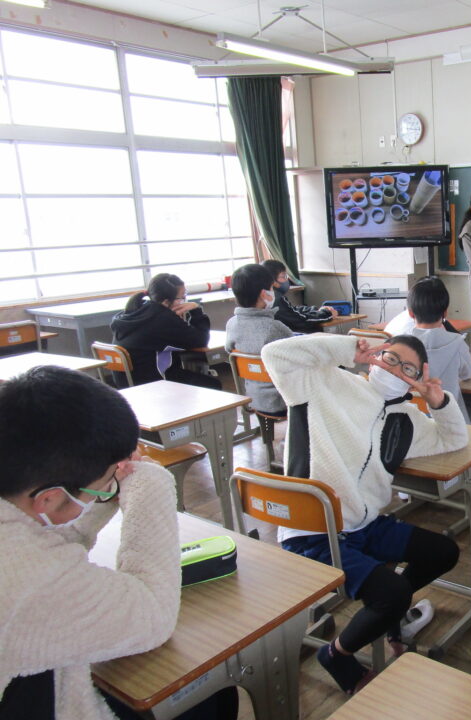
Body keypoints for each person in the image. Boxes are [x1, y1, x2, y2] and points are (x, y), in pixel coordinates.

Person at [0, 366, 238, 720]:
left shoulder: (18, 504)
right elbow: (154, 616)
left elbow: (45, 539)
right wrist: (149, 483)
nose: (110, 486)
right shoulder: (30, 579)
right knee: (210, 689)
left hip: (34, 684)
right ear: (48, 498)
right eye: (105, 483)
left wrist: (102, 494)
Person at [261, 332, 468, 696]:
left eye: (408, 369)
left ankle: (389, 614)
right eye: (390, 358)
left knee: (443, 552)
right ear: (375, 357)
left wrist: (438, 402)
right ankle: (337, 655)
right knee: (394, 593)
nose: (395, 370)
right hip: (312, 530)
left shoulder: (407, 419)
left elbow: (454, 439)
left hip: (365, 525)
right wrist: (346, 348)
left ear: (416, 378)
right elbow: (274, 354)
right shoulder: (323, 382)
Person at [111, 272, 221, 389]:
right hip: (153, 385)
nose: (184, 300)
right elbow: (201, 340)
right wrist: (196, 309)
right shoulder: (162, 318)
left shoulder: (132, 312)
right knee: (213, 385)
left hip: (128, 384)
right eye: (182, 297)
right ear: (166, 301)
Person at [401, 275, 471, 421]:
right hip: (449, 419)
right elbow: (468, 373)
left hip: (411, 420)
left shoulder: (400, 345)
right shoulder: (457, 342)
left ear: (410, 313)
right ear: (445, 312)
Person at [224, 263, 293, 415]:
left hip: (253, 398)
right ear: (264, 294)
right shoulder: (274, 328)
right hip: (283, 399)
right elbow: (299, 358)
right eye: (271, 288)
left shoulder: (232, 324)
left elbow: (229, 350)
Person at [261, 259, 340, 333]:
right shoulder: (276, 298)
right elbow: (302, 321)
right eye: (284, 276)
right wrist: (328, 314)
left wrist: (314, 310)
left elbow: (292, 311)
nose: (287, 280)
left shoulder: (264, 296)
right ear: (272, 280)